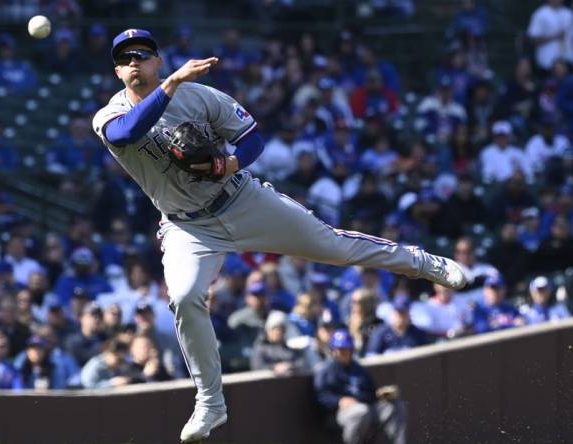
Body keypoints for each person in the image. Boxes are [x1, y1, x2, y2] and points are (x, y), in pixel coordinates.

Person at [92, 28, 465, 443]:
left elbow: (252, 138)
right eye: (126, 58)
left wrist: (228, 165)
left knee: (333, 247)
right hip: (186, 225)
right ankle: (210, 401)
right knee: (183, 296)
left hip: (239, 198)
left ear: (157, 60)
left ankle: (420, 262)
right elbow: (127, 133)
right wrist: (172, 83)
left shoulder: (202, 97)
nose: (134, 62)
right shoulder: (110, 115)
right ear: (117, 71)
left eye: (142, 54)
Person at [314, 330, 407, 444]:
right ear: (333, 350)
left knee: (395, 406)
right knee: (360, 411)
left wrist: (380, 395)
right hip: (339, 413)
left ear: (351, 350)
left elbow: (370, 392)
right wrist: (339, 401)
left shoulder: (359, 369)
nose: (342, 352)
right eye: (338, 349)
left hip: (365, 407)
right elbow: (321, 397)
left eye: (345, 349)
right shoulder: (325, 370)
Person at [250, 310, 306, 374]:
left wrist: (289, 366)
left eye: (281, 329)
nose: (278, 332)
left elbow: (301, 363)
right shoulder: (260, 347)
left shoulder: (291, 347)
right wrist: (274, 367)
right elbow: (257, 366)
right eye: (275, 328)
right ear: (268, 330)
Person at [527, 0, 572, 71]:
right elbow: (533, 39)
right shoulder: (540, 14)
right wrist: (554, 37)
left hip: (567, 61)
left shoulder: (569, 14)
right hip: (547, 63)